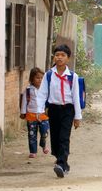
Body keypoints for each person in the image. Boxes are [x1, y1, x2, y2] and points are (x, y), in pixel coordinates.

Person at [36, 44, 82, 178]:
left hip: (68, 109)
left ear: (68, 58)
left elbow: (76, 97)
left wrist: (77, 117)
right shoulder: (49, 75)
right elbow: (42, 93)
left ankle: (62, 164)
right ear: (54, 57)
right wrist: (39, 110)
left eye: (63, 55)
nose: (59, 58)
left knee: (64, 137)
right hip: (53, 109)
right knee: (55, 137)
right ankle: (60, 158)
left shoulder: (72, 76)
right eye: (57, 55)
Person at [20, 67, 50, 158]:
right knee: (32, 134)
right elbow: (24, 102)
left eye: (41, 78)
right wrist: (23, 112)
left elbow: (48, 101)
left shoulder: (45, 90)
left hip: (43, 115)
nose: (40, 80)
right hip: (31, 115)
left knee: (44, 132)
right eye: (37, 78)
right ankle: (33, 151)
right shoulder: (28, 90)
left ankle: (43, 145)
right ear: (32, 79)